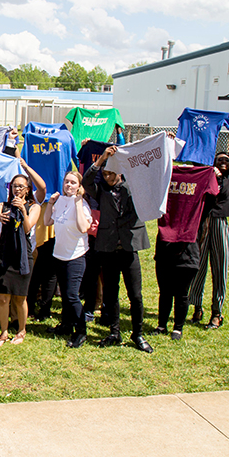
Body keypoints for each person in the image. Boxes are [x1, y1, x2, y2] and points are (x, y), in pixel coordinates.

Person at [82, 147, 153, 353]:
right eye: (105, 174)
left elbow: (151, 177)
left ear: (120, 172)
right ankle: (114, 332)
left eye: (111, 173)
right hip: (109, 249)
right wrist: (101, 159)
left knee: (136, 295)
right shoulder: (101, 190)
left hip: (129, 249)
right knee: (111, 294)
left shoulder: (133, 188)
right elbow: (86, 181)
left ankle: (138, 334)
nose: (108, 177)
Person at [189, 116, 229, 330]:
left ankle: (217, 312)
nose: (222, 162)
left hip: (220, 223)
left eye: (226, 160)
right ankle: (196, 307)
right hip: (203, 224)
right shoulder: (207, 175)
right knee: (198, 266)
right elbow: (196, 157)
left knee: (220, 268)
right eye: (218, 159)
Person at [0, 173, 41, 346]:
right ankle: (3, 333)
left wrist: (23, 211)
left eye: (21, 186)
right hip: (4, 254)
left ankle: (21, 330)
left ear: (27, 189)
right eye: (14, 186)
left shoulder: (34, 207)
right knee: (3, 297)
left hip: (22, 256)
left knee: (20, 298)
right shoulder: (3, 205)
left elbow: (27, 228)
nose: (17, 189)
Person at [43, 171, 91, 349]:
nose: (69, 185)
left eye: (73, 183)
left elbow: (83, 227)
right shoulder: (61, 201)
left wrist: (78, 202)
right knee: (65, 295)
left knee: (72, 296)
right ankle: (65, 325)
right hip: (59, 254)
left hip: (75, 256)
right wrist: (51, 203)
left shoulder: (82, 204)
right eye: (66, 182)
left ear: (79, 186)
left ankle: (81, 331)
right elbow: (48, 221)